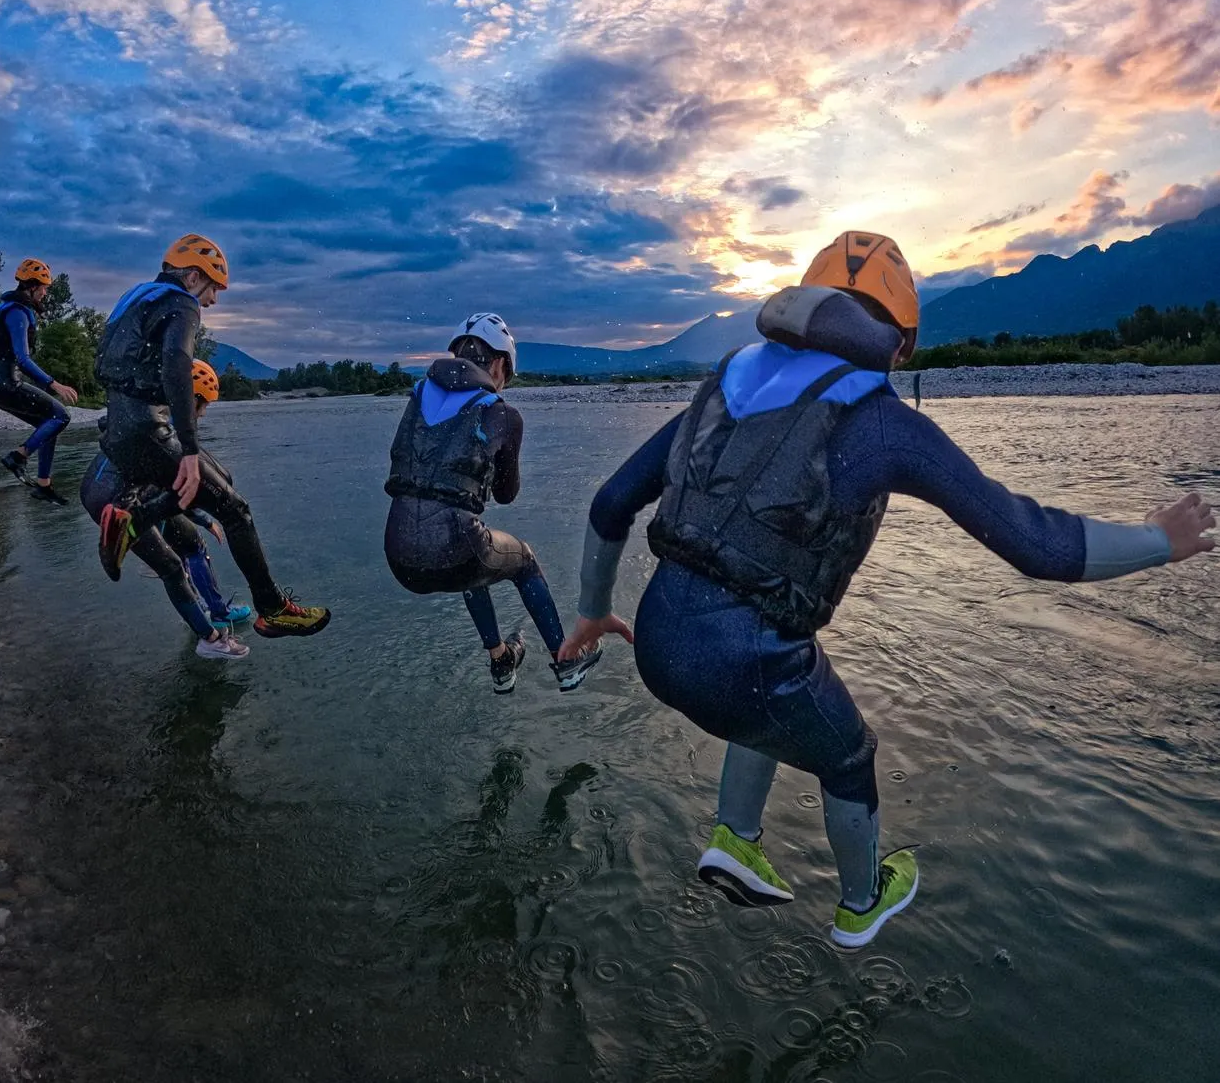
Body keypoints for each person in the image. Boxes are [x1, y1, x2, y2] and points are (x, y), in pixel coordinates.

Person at [559, 230, 1215, 948]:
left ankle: (735, 838)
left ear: (803, 305)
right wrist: (1159, 542)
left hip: (657, 641)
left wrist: (592, 611)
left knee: (775, 700)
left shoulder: (722, 387)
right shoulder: (881, 423)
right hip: (745, 660)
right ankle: (861, 905)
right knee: (847, 754)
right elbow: (1038, 546)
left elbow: (609, 503)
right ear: (899, 345)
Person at [93, 233, 330, 640]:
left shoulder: (136, 296)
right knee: (236, 511)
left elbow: (108, 364)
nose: (213, 301)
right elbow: (177, 366)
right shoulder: (179, 302)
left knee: (220, 478)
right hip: (145, 429)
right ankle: (272, 609)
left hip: (118, 429)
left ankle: (134, 519)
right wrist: (186, 446)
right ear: (191, 276)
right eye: (213, 288)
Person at [383, 313, 602, 694]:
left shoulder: (417, 396)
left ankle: (500, 658)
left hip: (398, 555)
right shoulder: (501, 412)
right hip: (455, 549)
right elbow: (506, 494)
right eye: (507, 374)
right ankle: (566, 659)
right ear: (500, 363)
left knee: (474, 555)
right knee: (521, 559)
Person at [80, 360, 253, 659]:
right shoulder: (162, 431)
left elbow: (169, 487)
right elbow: (174, 483)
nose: (203, 413)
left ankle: (217, 610)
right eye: (204, 405)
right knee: (171, 568)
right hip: (113, 500)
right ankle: (209, 640)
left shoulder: (153, 413)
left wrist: (202, 520)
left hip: (119, 492)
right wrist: (206, 515)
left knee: (193, 545)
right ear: (192, 398)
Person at [0, 258, 80, 504]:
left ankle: (43, 485)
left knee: (49, 423)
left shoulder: (9, 307)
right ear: (32, 286)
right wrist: (54, 384)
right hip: (6, 381)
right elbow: (23, 359)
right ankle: (18, 456)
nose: (46, 292)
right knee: (62, 416)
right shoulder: (18, 312)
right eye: (44, 287)